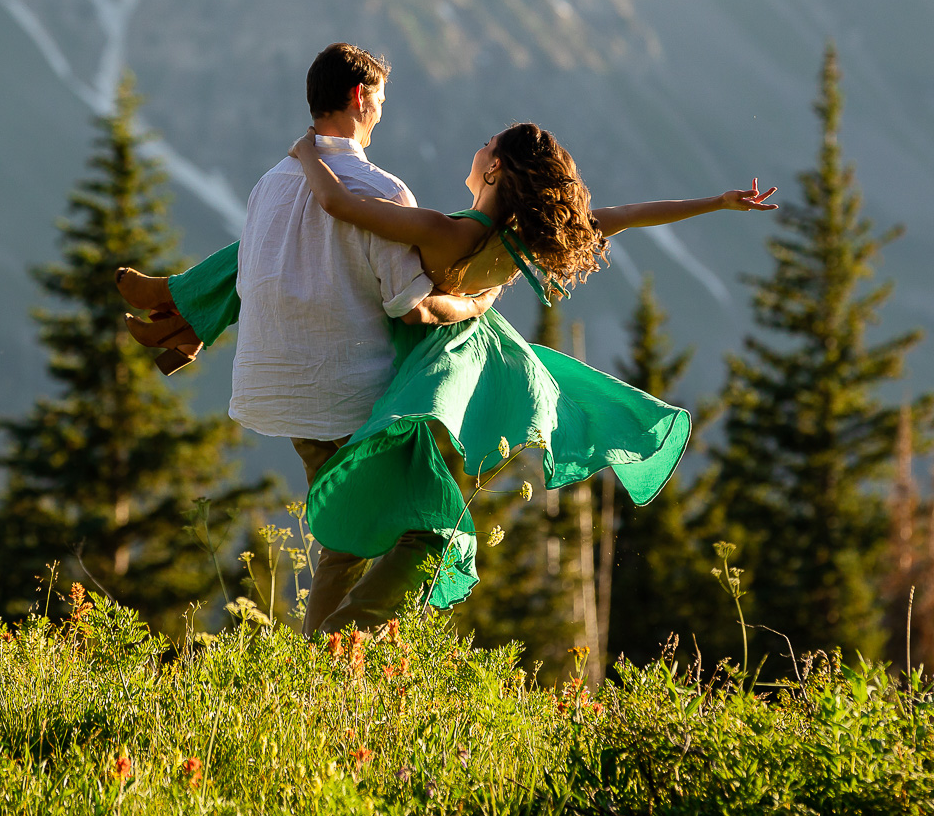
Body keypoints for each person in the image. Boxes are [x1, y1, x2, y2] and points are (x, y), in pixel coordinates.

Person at [120, 49, 779, 628]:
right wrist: (714, 203)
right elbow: (624, 216)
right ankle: (338, 648)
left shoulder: (447, 230)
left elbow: (343, 209)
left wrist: (306, 157)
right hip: (480, 371)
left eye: (487, 144)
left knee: (410, 530)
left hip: (438, 368)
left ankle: (342, 639)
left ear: (493, 172)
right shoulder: (518, 235)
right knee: (393, 528)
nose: (479, 144)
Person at [122, 43, 497, 635]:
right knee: (438, 531)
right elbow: (410, 308)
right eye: (378, 100)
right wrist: (476, 302)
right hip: (355, 400)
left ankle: (319, 681)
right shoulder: (382, 189)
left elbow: (252, 275)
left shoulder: (270, 183)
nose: (380, 113)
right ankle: (340, 645)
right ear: (357, 97)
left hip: (288, 400)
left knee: (344, 543)